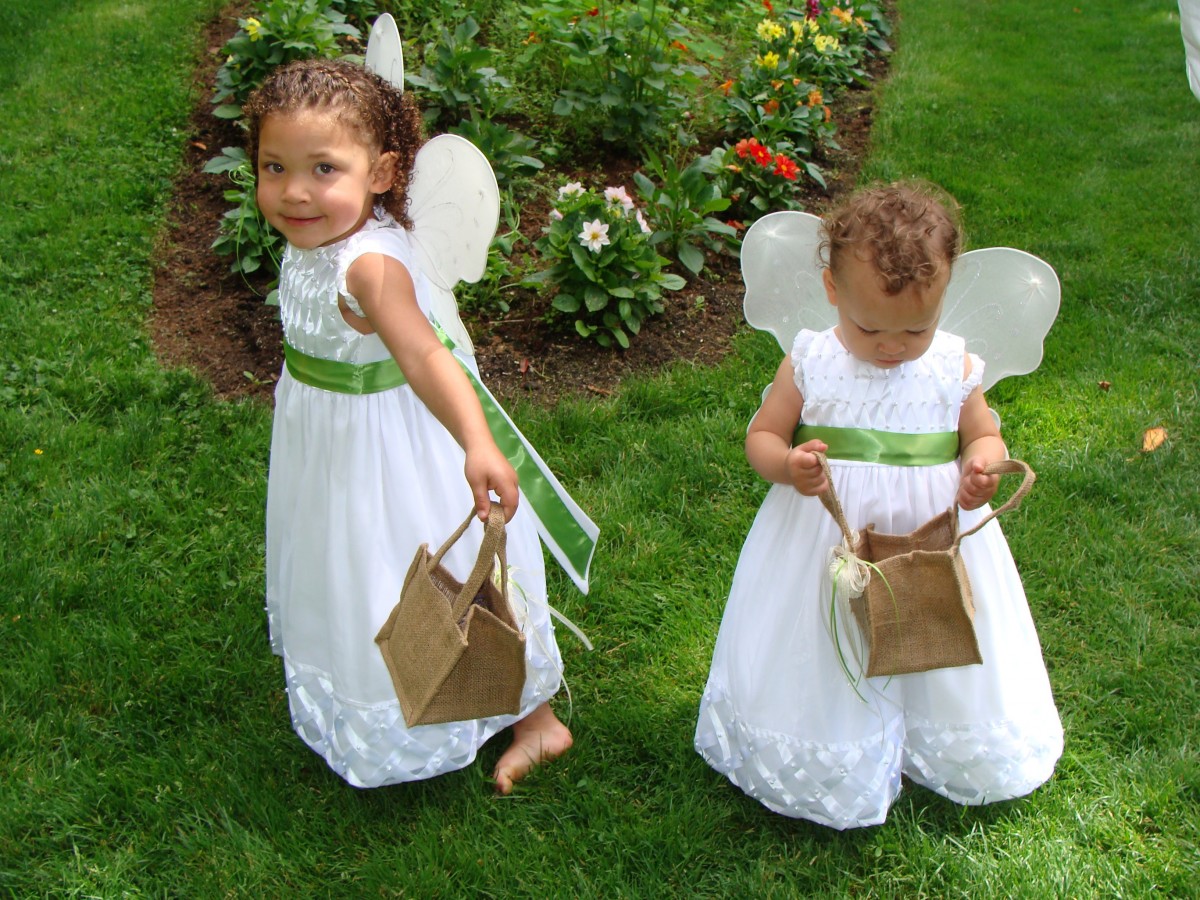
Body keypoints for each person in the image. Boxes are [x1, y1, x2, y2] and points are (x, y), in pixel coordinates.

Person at [247, 58, 572, 794]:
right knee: (349, 567)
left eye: (323, 168)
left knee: (422, 571)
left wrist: (479, 441)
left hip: (389, 448)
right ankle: (388, 690)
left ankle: (538, 720)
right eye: (275, 166)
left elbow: (425, 354)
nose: (295, 191)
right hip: (331, 439)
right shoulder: (319, 240)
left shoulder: (366, 267)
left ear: (383, 172)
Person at [694, 182, 1063, 828]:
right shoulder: (812, 361)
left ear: (943, 301)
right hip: (827, 536)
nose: (892, 347)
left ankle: (933, 737)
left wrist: (982, 464)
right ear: (834, 291)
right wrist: (788, 466)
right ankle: (827, 741)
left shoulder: (952, 365)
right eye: (870, 329)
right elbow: (762, 437)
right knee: (828, 638)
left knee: (934, 630)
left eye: (915, 329)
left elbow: (982, 432)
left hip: (928, 537)